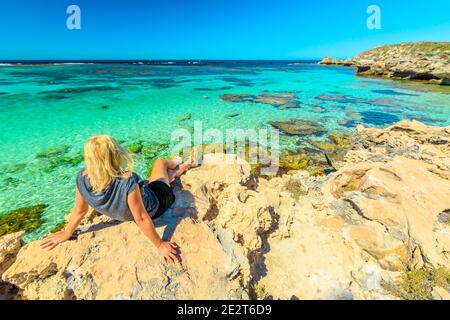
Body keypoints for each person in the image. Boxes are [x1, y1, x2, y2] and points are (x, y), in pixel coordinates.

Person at [40, 135, 196, 264]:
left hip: (133, 205)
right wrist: (160, 244)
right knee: (160, 163)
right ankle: (179, 162)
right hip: (158, 202)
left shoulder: (81, 178)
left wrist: (67, 233)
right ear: (114, 156)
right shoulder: (127, 180)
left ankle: (184, 165)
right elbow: (141, 218)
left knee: (162, 177)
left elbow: (80, 211)